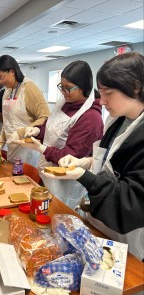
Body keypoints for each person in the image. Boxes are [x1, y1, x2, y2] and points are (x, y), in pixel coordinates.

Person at [53, 52, 144, 262]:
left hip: (128, 233)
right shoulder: (118, 120)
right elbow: (107, 163)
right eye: (101, 92)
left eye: (108, 93)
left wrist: (83, 176)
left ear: (136, 87)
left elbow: (132, 198)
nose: (101, 101)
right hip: (101, 225)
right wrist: (83, 162)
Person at [17, 60, 104, 208]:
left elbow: (72, 156)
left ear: (83, 87)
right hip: (49, 169)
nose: (63, 92)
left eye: (68, 88)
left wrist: (43, 149)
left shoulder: (90, 117)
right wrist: (38, 130)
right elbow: (52, 126)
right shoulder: (64, 103)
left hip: (66, 181)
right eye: (61, 87)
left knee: (61, 212)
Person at [0, 55, 50, 166]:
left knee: (26, 179)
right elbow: (7, 121)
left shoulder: (28, 87)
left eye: (2, 77)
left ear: (12, 72)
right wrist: (0, 144)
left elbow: (45, 116)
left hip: (28, 148)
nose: (0, 81)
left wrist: (21, 132)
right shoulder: (8, 90)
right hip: (12, 146)